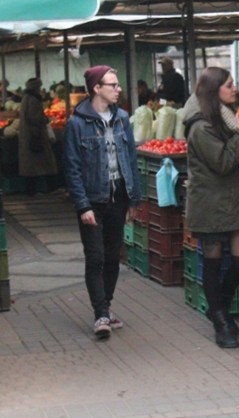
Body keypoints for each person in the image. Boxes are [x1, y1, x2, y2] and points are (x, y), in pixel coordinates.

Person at [63, 65, 141, 339]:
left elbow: (131, 160)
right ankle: (100, 315)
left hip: (118, 197)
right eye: (113, 85)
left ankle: (105, 307)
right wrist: (82, 205)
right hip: (93, 199)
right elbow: (72, 168)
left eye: (118, 85)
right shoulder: (77, 123)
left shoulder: (122, 119)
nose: (118, 89)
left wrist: (134, 199)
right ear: (97, 88)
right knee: (95, 257)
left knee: (112, 257)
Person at [183, 67, 239, 349]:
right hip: (210, 202)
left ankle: (218, 308)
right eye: (228, 84)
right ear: (214, 90)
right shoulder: (200, 126)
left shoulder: (225, 119)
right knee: (213, 258)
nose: (234, 88)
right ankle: (221, 322)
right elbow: (224, 162)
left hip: (232, 199)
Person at [18, 77, 59, 196]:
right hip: (35, 136)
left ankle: (33, 190)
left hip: (28, 136)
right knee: (45, 162)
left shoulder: (26, 98)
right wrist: (45, 119)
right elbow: (35, 118)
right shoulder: (34, 100)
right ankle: (47, 188)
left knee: (31, 166)